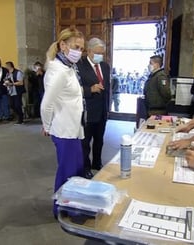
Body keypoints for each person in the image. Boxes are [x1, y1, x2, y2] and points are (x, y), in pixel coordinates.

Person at [41, 27, 85, 217]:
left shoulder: (67, 68)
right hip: (64, 129)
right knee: (67, 171)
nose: (79, 52)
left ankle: (71, 205)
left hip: (73, 128)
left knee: (75, 169)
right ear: (63, 45)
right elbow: (46, 104)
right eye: (76, 47)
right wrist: (47, 126)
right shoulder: (59, 71)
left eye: (82, 48)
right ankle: (61, 208)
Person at [77, 37, 111, 178]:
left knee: (99, 140)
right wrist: (90, 89)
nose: (100, 56)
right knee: (85, 143)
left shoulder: (104, 66)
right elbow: (73, 88)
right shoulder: (79, 65)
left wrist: (108, 108)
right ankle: (86, 168)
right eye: (97, 53)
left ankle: (97, 163)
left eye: (102, 53)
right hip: (87, 111)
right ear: (89, 51)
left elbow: (108, 88)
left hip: (102, 111)